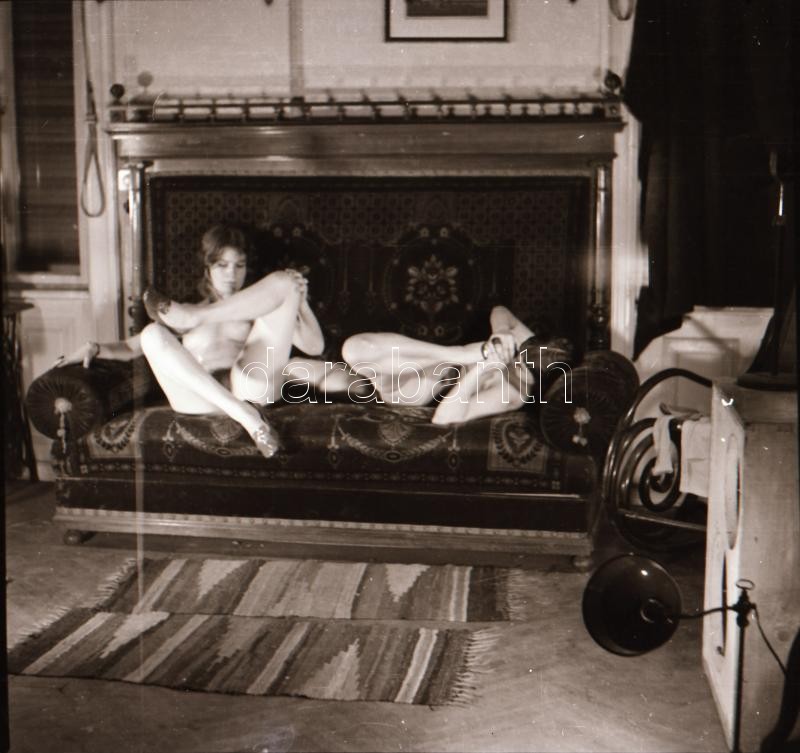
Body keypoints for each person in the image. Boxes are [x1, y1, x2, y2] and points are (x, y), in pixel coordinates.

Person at [55, 224, 348, 458]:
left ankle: (245, 411)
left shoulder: (260, 310)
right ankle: (245, 416)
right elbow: (130, 348)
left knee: (285, 280)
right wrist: (95, 347)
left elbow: (315, 347)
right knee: (152, 333)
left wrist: (300, 301)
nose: (232, 275)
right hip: (199, 398)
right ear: (207, 268)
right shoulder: (181, 309)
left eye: (239, 265)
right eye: (222, 265)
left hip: (248, 389)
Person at [341, 305, 569, 425]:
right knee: (357, 347)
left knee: (354, 350)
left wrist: (482, 369)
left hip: (417, 391)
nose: (515, 359)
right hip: (434, 360)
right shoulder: (533, 350)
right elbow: (501, 311)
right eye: (519, 353)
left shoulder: (511, 395)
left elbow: (444, 417)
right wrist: (501, 331)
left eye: (520, 367)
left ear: (538, 383)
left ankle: (460, 354)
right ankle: (456, 354)